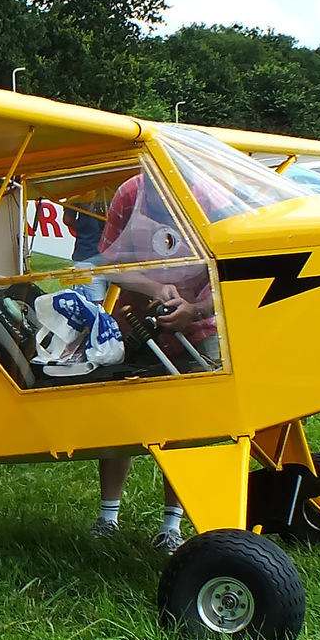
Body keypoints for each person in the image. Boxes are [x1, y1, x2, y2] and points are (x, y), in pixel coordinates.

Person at [87, 171, 218, 553]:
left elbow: (224, 268)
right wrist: (154, 288)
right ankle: (108, 517)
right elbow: (110, 262)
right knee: (121, 418)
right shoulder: (130, 192)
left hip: (199, 325)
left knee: (188, 425)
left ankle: (171, 526)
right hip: (135, 320)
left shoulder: (208, 199)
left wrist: (194, 309)